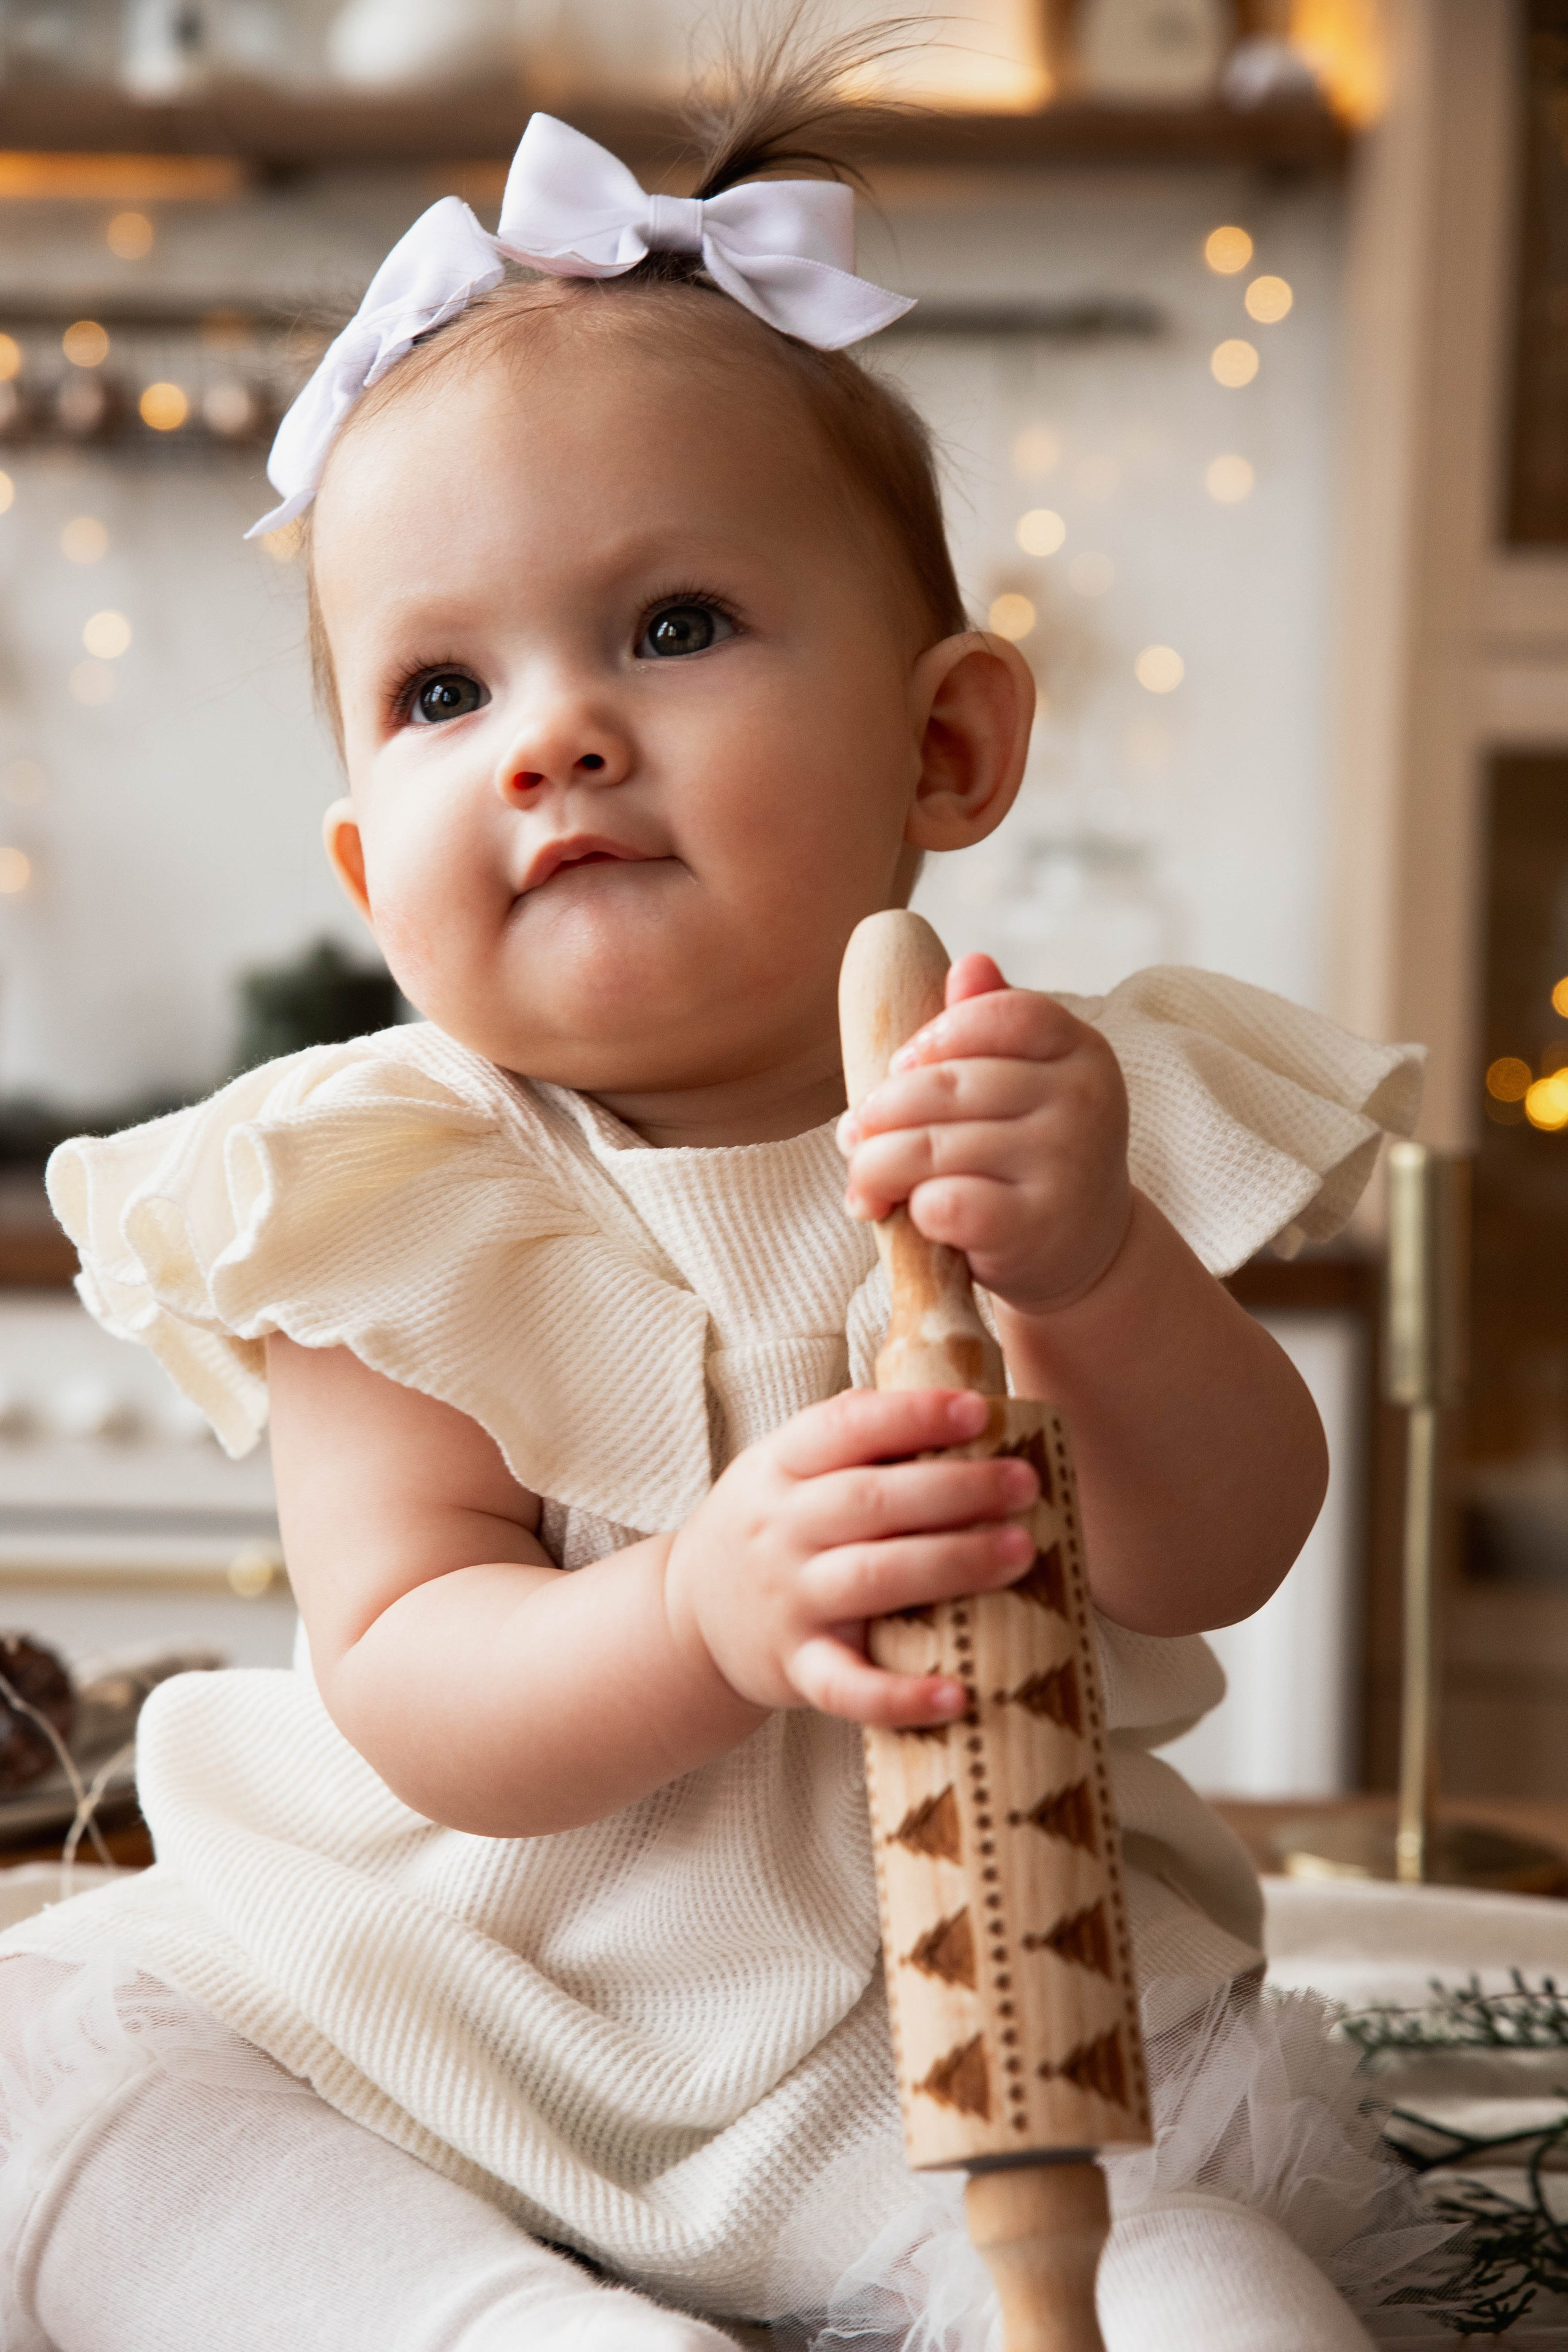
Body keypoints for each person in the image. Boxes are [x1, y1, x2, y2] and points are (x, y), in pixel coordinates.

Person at [0, 45, 1442, 2352]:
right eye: (443, 688)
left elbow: (1223, 1545)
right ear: (371, 874)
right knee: (60, 2088)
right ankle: (501, 2324)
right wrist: (692, 1611)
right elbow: (415, 1678)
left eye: (672, 624)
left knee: (1216, 2290)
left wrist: (1090, 1273)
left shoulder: (1048, 1115)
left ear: (944, 745)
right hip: (438, 2010)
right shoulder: (384, 1189)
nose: (553, 736)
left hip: (956, 2020)